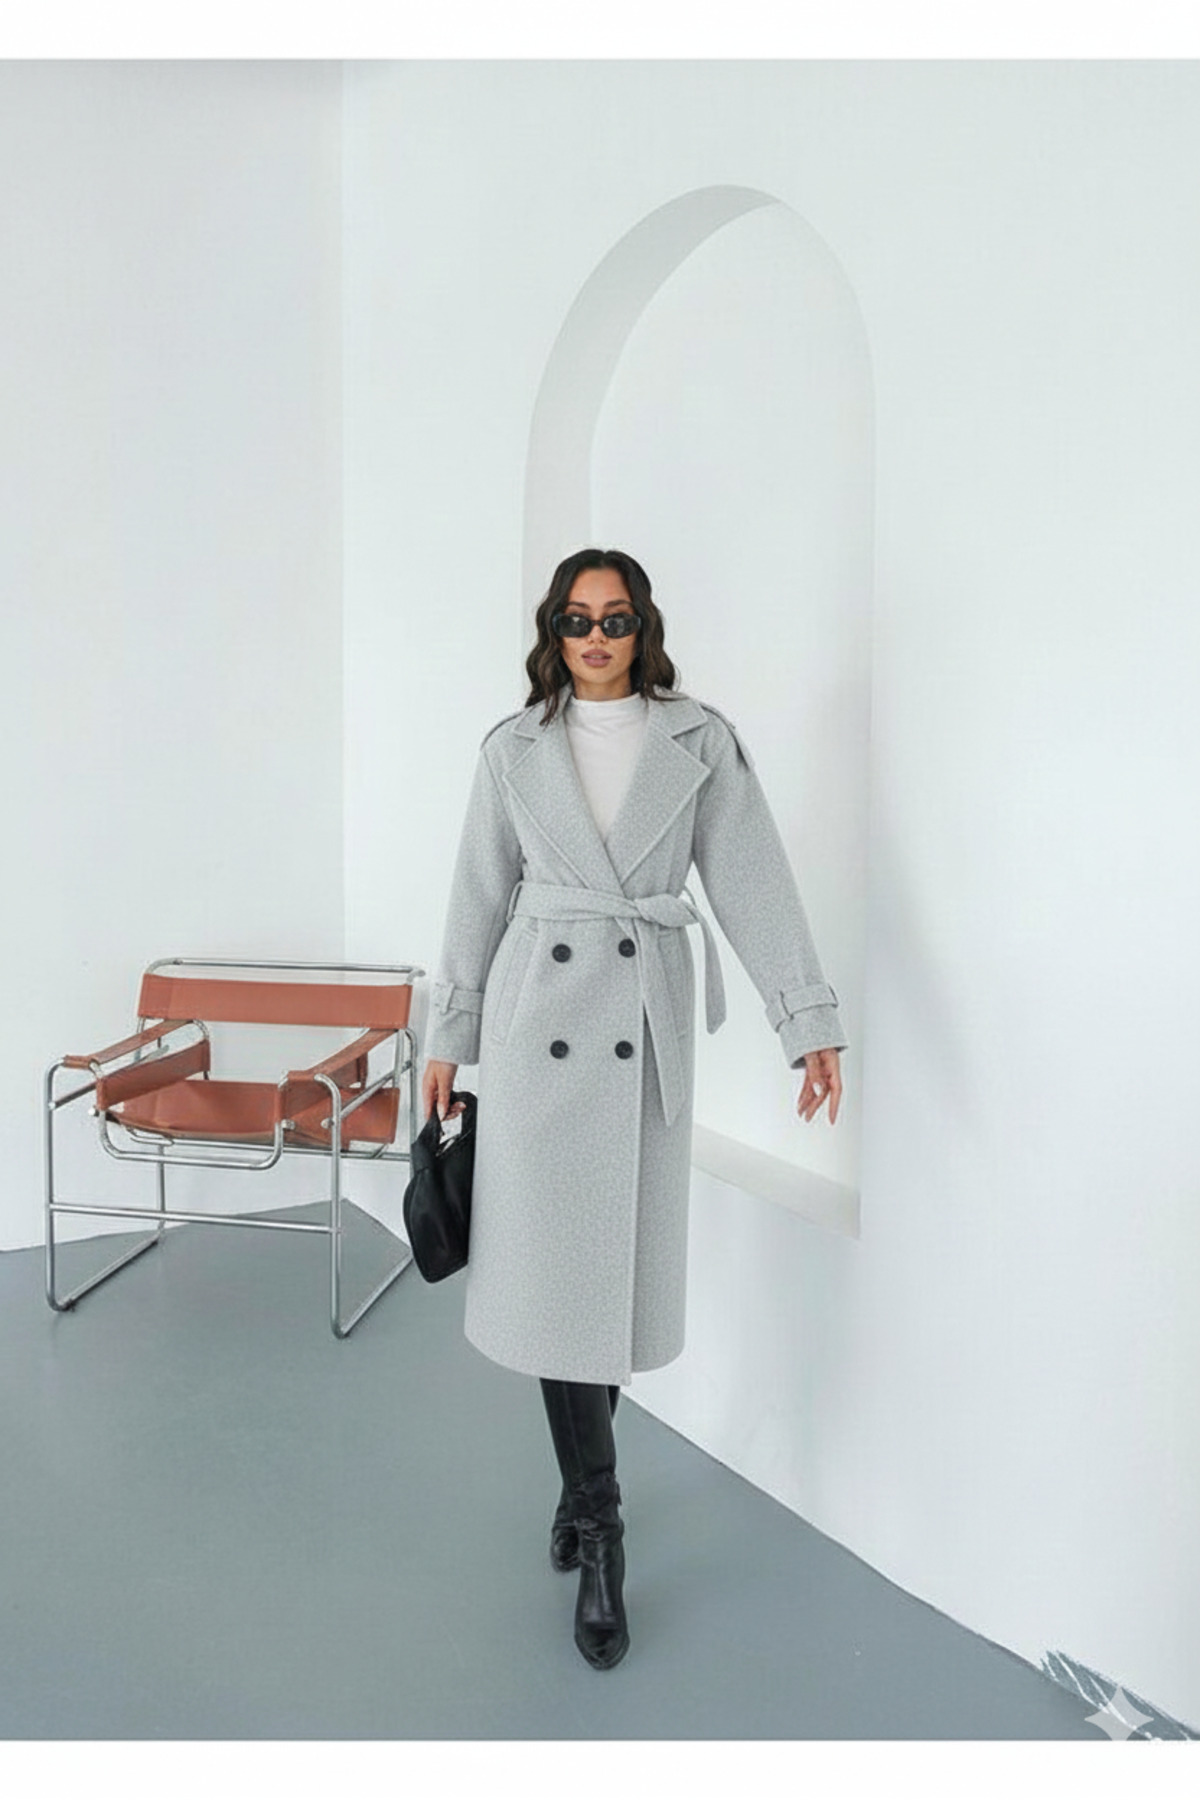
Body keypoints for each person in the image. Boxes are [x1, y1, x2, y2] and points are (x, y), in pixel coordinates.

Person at [421, 547, 847, 1671]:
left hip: (643, 1039)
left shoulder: (698, 742)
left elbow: (754, 881)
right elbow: (475, 895)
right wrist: (447, 1040)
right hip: (540, 1033)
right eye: (577, 620)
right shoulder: (513, 749)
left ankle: (579, 1494)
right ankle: (602, 1529)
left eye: (615, 619)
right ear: (553, 632)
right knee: (560, 1282)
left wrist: (805, 1019)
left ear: (643, 627)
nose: (597, 638)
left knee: (603, 1285)